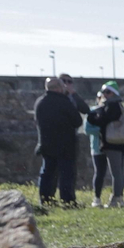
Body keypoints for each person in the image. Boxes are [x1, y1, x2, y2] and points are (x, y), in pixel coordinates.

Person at [32, 77, 83, 205]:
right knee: (66, 173)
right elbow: (78, 121)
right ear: (59, 88)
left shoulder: (40, 102)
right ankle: (67, 200)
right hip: (65, 144)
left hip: (46, 143)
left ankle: (45, 199)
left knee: (47, 173)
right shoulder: (64, 102)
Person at [85, 82, 124, 207]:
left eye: (107, 92)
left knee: (116, 172)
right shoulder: (116, 106)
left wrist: (93, 116)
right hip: (111, 144)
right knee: (108, 172)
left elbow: (101, 121)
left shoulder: (112, 107)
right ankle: (114, 198)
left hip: (112, 143)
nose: (104, 95)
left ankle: (117, 198)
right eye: (102, 93)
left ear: (113, 93)